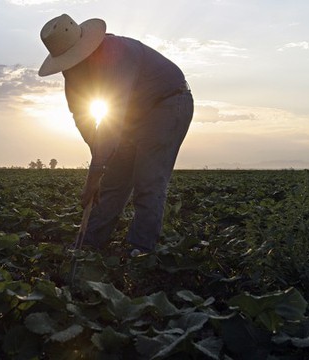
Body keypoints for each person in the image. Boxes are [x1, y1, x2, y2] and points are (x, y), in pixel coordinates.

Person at [38, 14, 194, 256]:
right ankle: (89, 244)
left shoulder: (117, 54)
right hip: (133, 114)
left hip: (167, 103)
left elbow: (114, 113)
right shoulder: (72, 75)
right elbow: (83, 119)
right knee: (112, 183)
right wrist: (101, 160)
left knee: (148, 181)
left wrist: (96, 168)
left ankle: (140, 251)